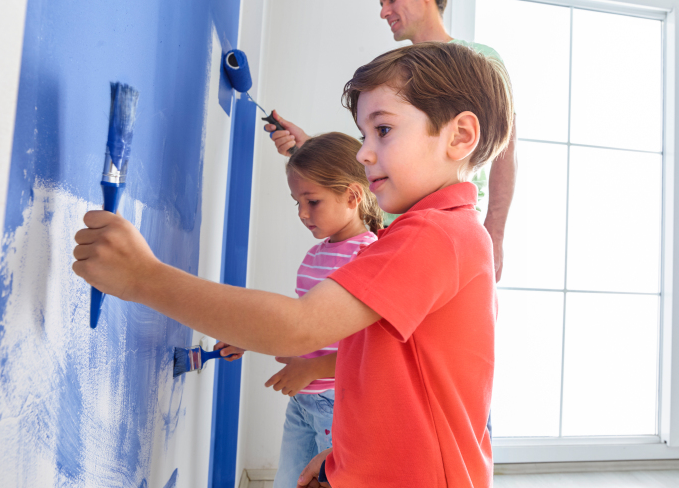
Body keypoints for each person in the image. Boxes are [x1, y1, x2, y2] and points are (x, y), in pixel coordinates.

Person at [72, 41, 513, 487]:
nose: (363, 153)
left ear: (459, 137)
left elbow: (299, 327)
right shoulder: (430, 234)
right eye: (363, 135)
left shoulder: (434, 235)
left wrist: (144, 279)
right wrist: (345, 453)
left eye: (382, 130)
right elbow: (391, 377)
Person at [265, 0, 517, 282]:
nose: (383, 11)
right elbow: (383, 155)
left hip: (441, 226)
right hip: (386, 228)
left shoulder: (480, 61)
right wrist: (310, 148)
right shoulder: (393, 77)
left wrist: (494, 231)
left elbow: (505, 150)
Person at [213, 132, 380, 488]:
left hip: (339, 403)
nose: (303, 213)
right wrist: (248, 340)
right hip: (305, 403)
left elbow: (372, 347)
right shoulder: (315, 256)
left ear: (353, 196)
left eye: (313, 201)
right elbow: (303, 327)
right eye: (296, 202)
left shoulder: (368, 256)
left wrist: (312, 369)